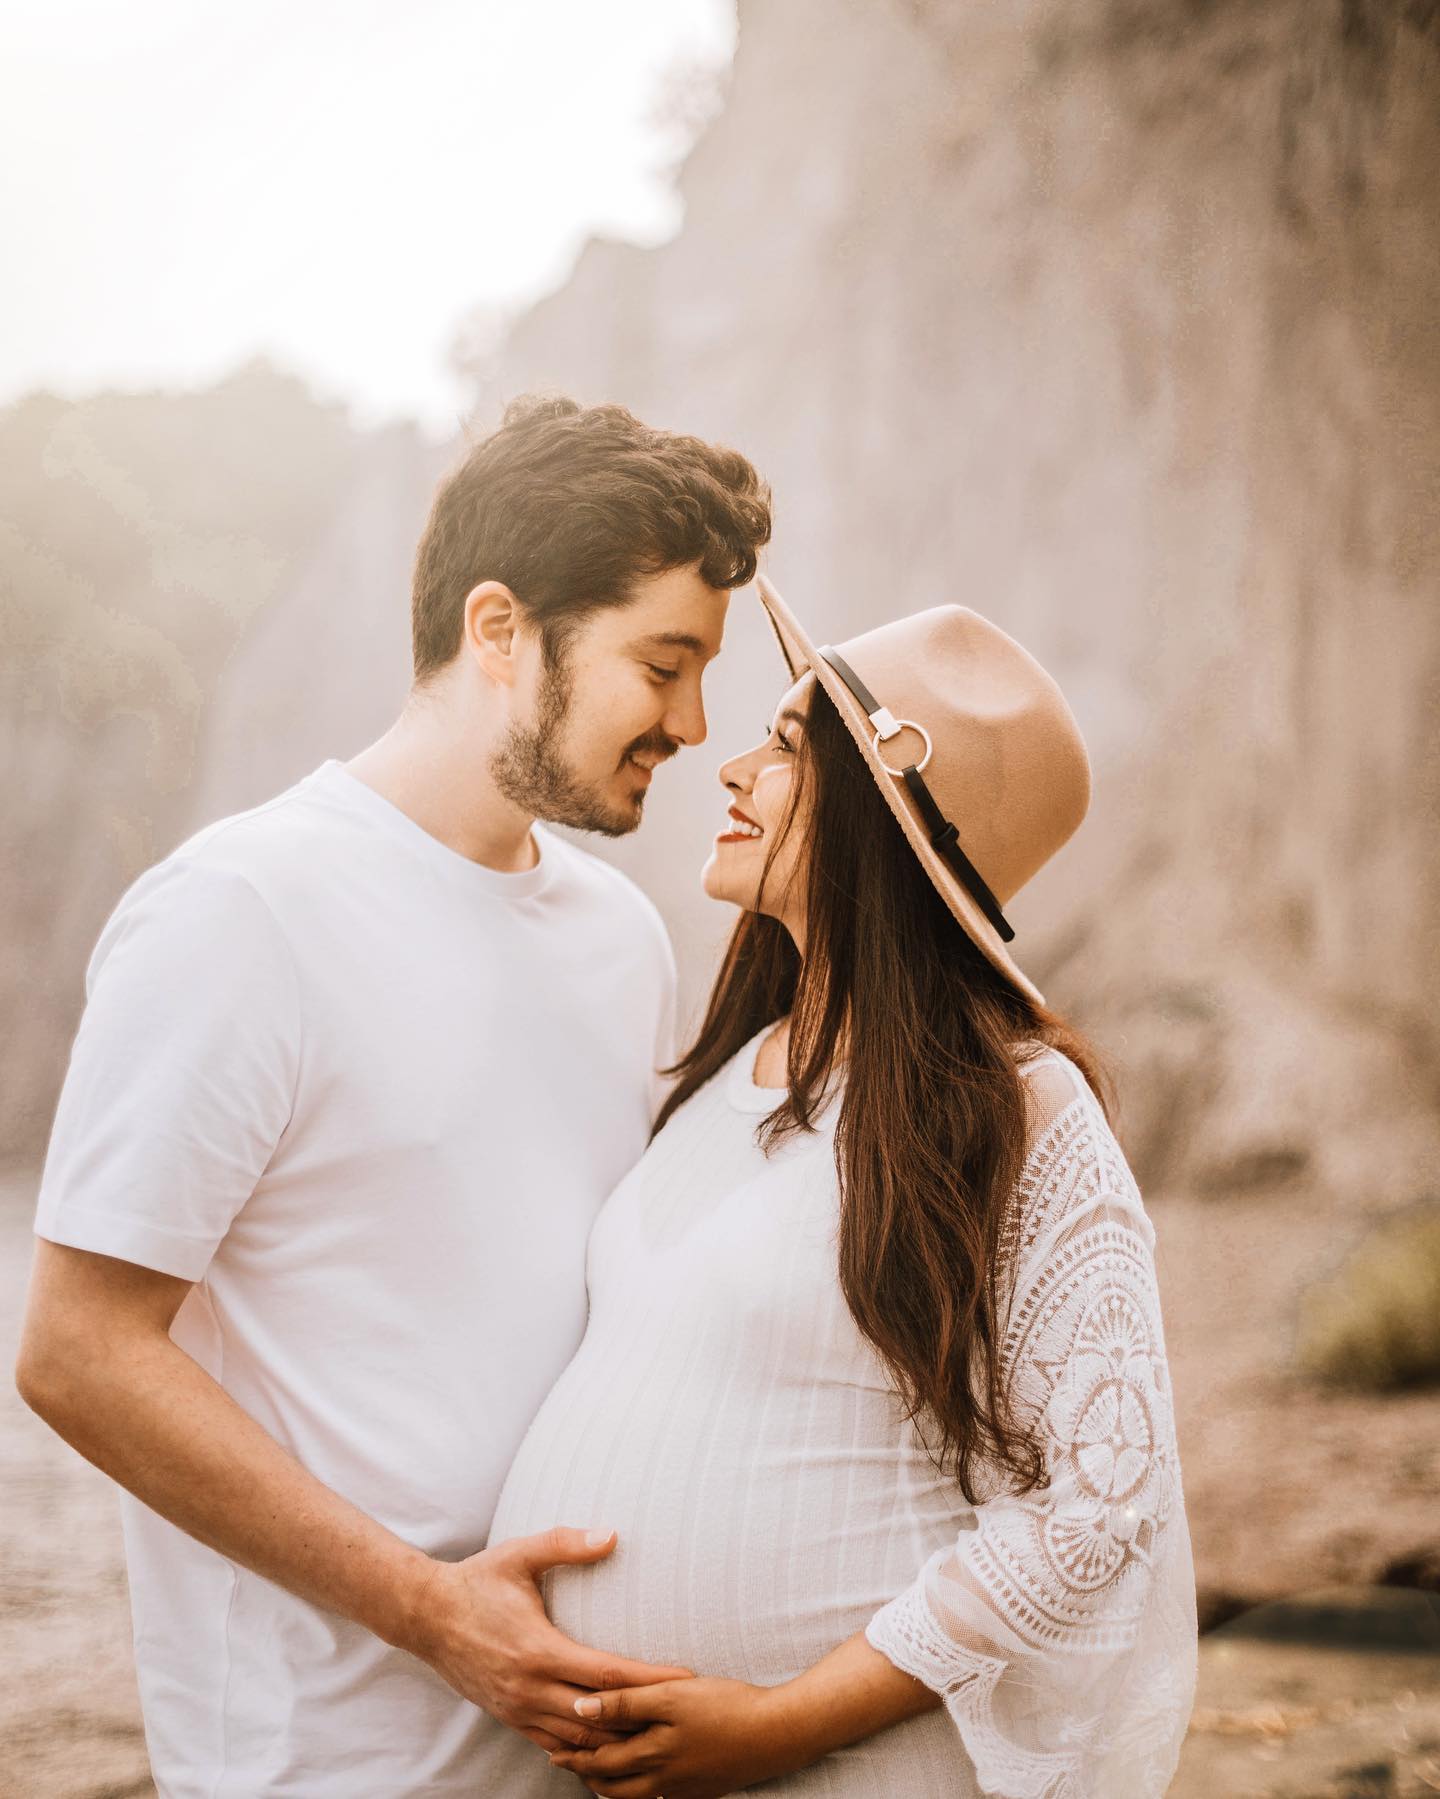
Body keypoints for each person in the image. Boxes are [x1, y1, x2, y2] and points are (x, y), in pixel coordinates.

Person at [14, 395, 773, 1797]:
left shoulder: (624, 941)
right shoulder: (241, 910)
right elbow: (77, 1352)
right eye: (663, 662)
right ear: (499, 629)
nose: (693, 720)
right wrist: (438, 1614)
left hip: (584, 1749)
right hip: (326, 1762)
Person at [485, 575, 1198, 1796]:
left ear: (883, 814)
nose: (731, 768)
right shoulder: (718, 1083)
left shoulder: (1016, 1108)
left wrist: (783, 1720)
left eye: (784, 746)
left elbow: (1095, 1506)